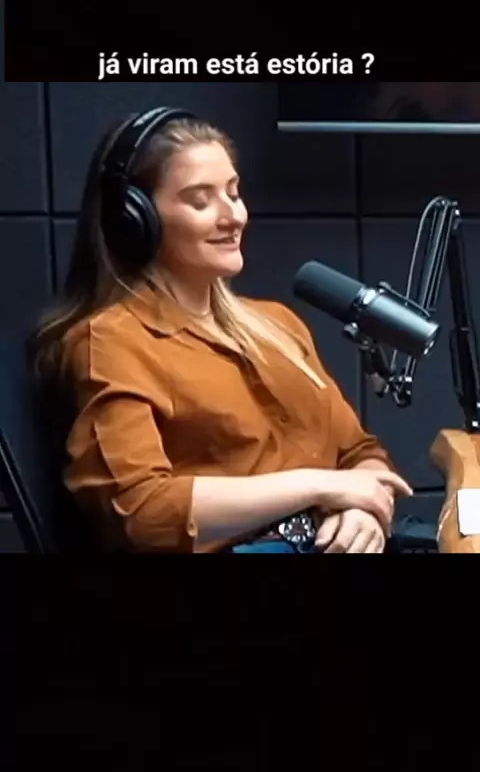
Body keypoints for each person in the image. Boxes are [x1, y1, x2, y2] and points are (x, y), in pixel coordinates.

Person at [30, 106, 412, 554]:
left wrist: (363, 512)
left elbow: (360, 453)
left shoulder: (277, 325)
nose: (233, 216)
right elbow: (142, 512)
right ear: (135, 219)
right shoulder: (110, 342)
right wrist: (319, 487)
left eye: (234, 193)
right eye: (200, 200)